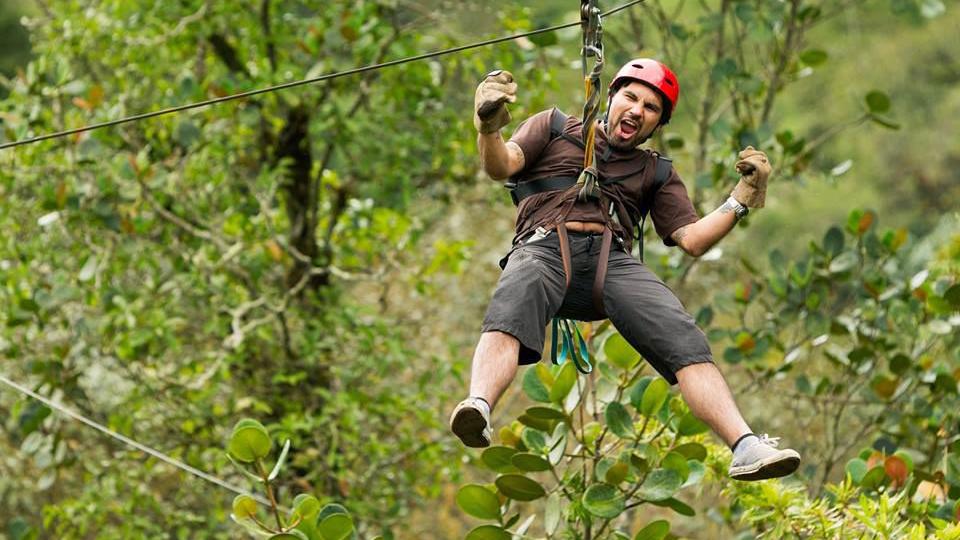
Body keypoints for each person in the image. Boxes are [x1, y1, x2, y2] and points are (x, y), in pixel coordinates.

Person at [449, 58, 801, 481]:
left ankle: (745, 445)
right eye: (631, 97)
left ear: (657, 124)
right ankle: (479, 406)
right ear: (610, 95)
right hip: (544, 248)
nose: (637, 110)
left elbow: (692, 239)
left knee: (683, 335)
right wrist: (489, 127)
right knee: (513, 302)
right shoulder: (554, 127)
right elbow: (500, 165)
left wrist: (739, 199)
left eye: (650, 108)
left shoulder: (656, 171)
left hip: (609, 263)